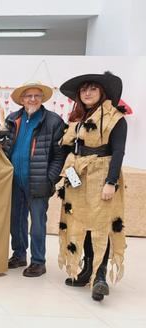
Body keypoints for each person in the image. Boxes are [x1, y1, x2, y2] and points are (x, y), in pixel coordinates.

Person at [57, 72, 127, 302]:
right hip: (78, 173)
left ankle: (100, 276)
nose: (87, 93)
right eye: (83, 89)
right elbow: (69, 147)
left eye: (92, 89)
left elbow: (118, 152)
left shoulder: (115, 118)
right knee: (81, 222)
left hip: (102, 174)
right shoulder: (76, 119)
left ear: (102, 92)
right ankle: (86, 269)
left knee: (100, 225)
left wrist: (111, 182)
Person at [2, 82, 65, 277]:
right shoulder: (13, 119)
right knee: (16, 220)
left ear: (42, 98)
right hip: (14, 179)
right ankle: (19, 254)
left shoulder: (54, 121)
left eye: (37, 96)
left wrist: (50, 178)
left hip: (38, 180)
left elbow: (59, 155)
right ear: (21, 99)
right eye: (28, 96)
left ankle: (38, 261)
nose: (32, 99)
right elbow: (4, 147)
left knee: (37, 222)